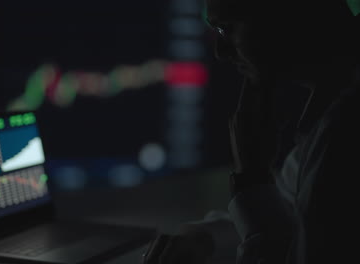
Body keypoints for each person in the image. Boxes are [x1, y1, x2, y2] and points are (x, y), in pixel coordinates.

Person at [143, 0, 360, 263]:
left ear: (287, 14)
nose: (220, 52)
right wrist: (203, 237)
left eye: (228, 28)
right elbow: (290, 213)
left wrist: (252, 176)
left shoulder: (344, 128)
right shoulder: (333, 108)